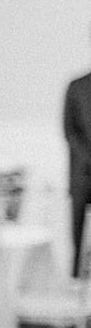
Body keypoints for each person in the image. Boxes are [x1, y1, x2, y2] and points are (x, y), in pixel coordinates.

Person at [65, 41, 91, 275]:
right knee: (78, 235)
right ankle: (76, 281)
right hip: (82, 175)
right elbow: (70, 131)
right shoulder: (77, 87)